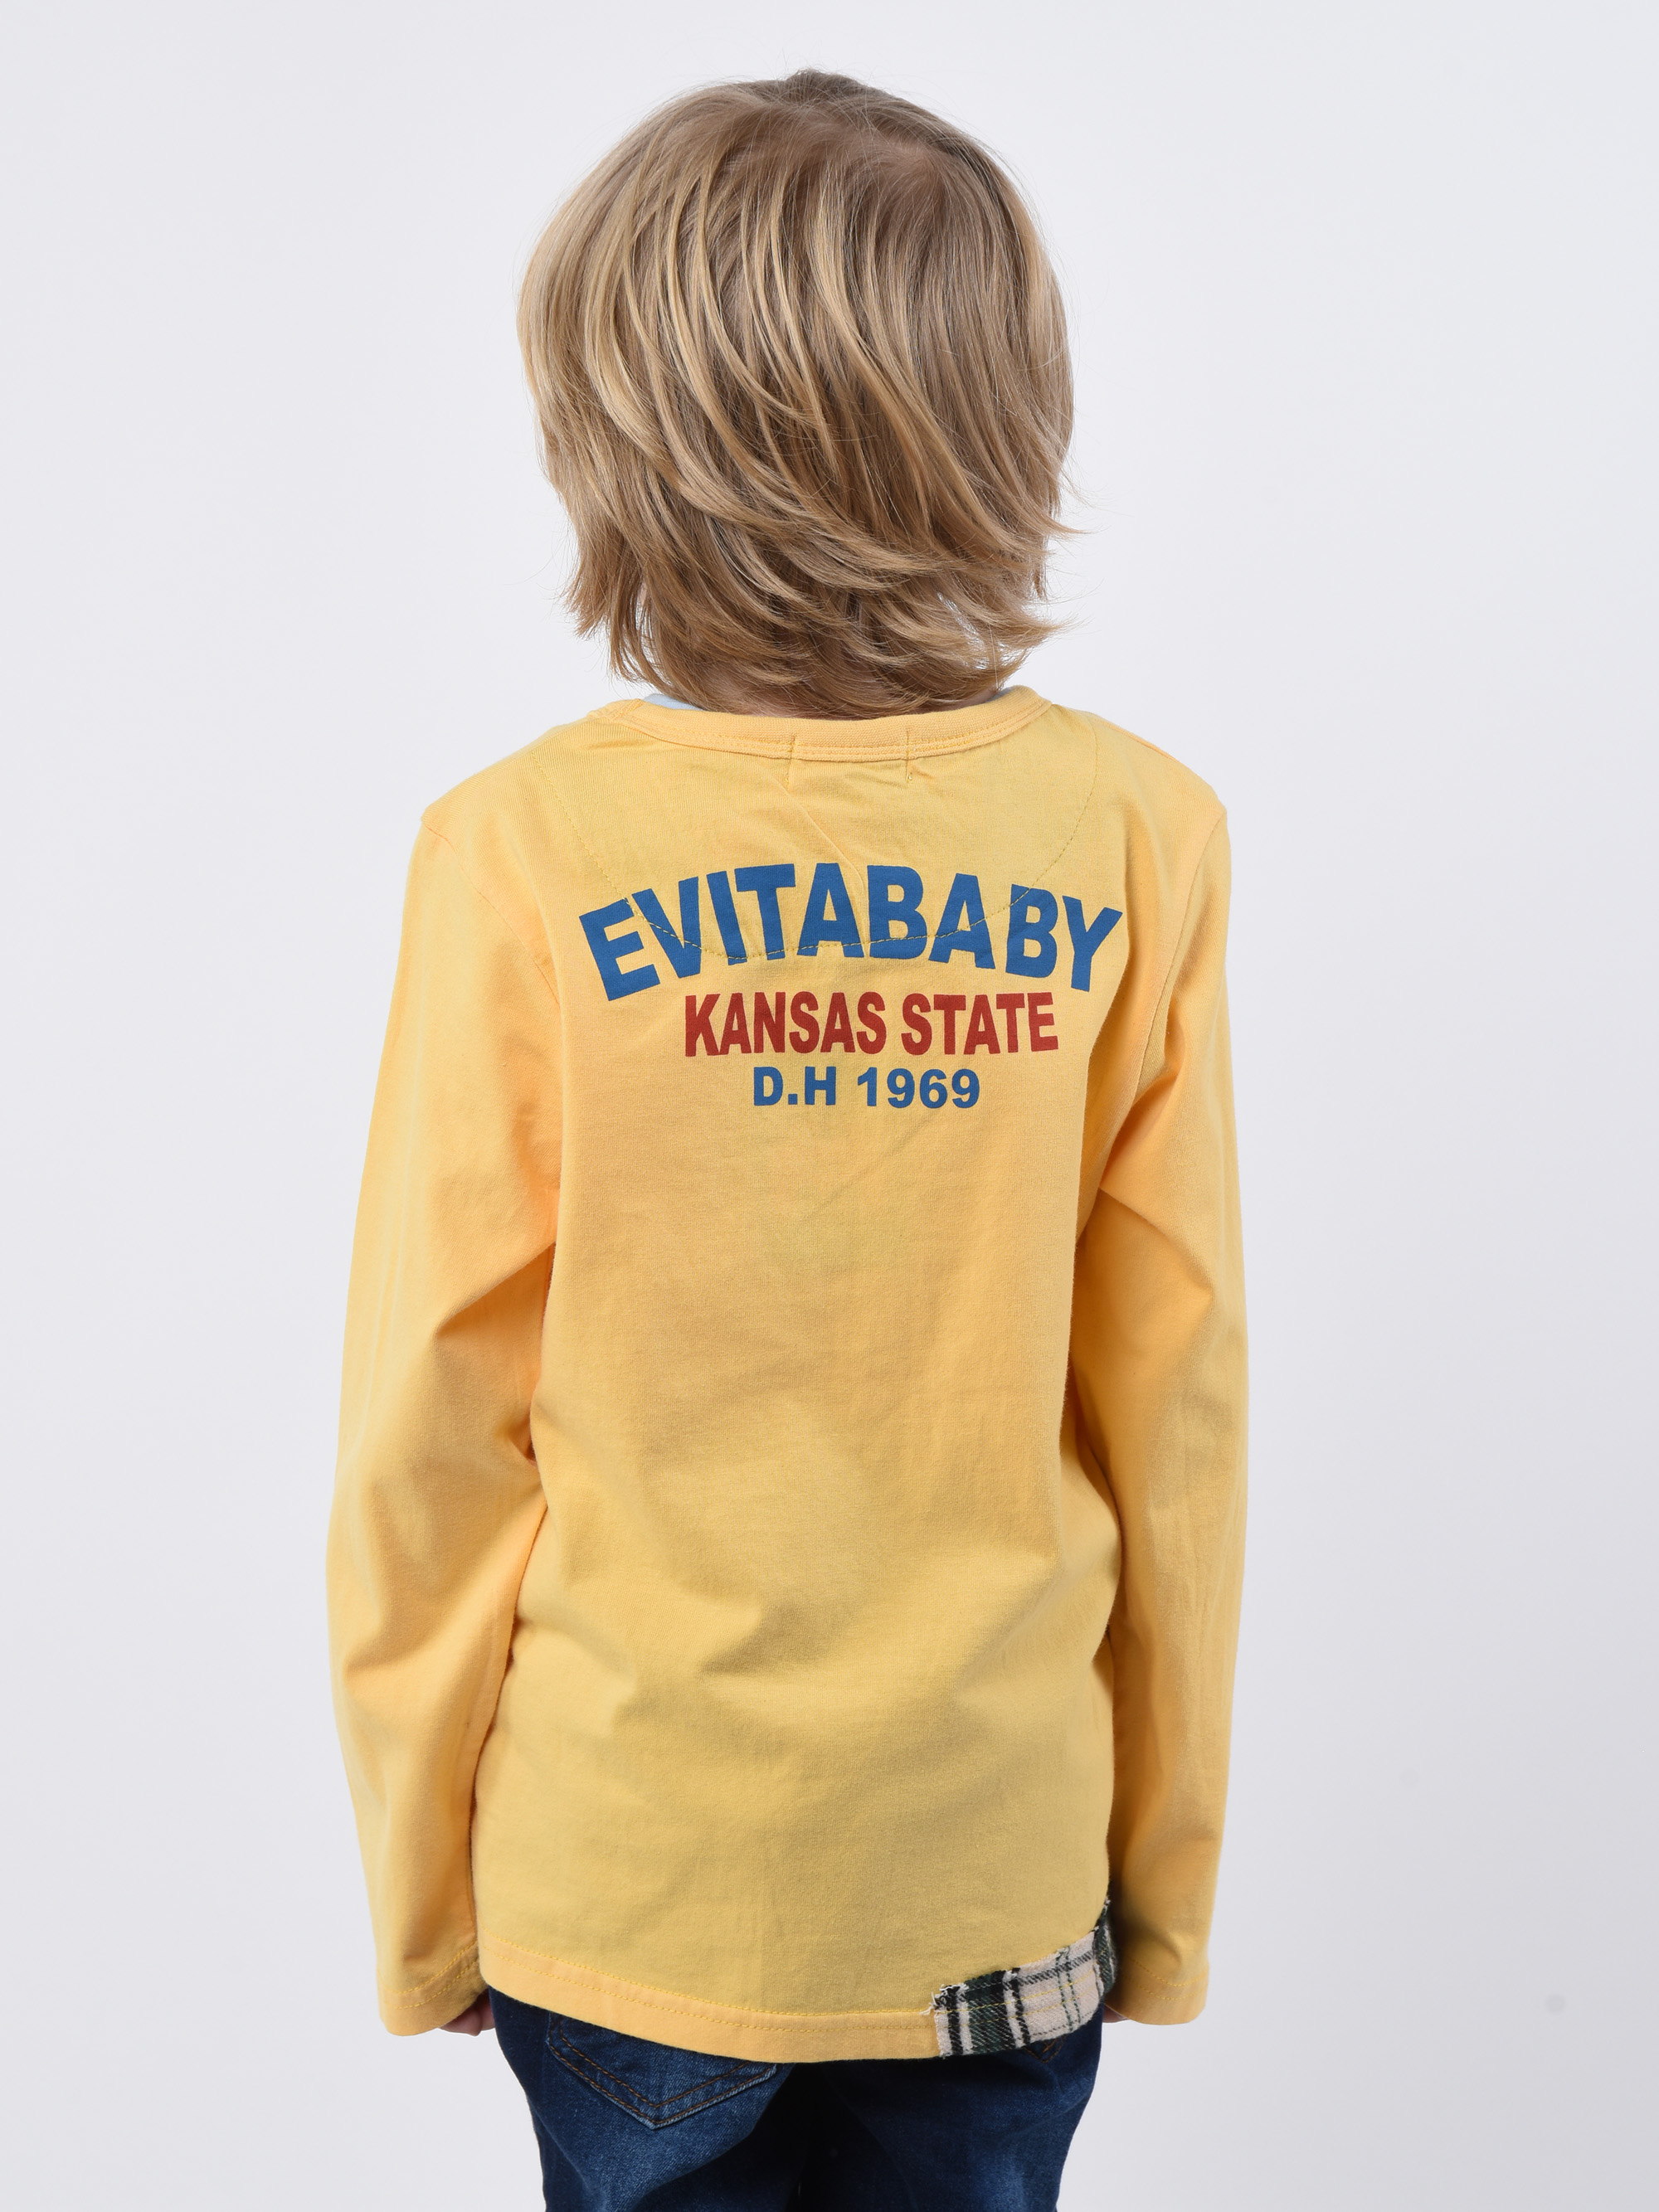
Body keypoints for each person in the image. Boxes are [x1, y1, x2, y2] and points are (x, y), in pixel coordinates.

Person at [327, 68, 1248, 2211]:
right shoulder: (1136, 835)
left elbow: (431, 1420)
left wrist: (426, 1893)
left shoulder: (523, 852)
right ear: (1008, 415)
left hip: (629, 1870)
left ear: (621, 434)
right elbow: (1177, 1407)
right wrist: (1166, 1874)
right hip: (995, 1877)